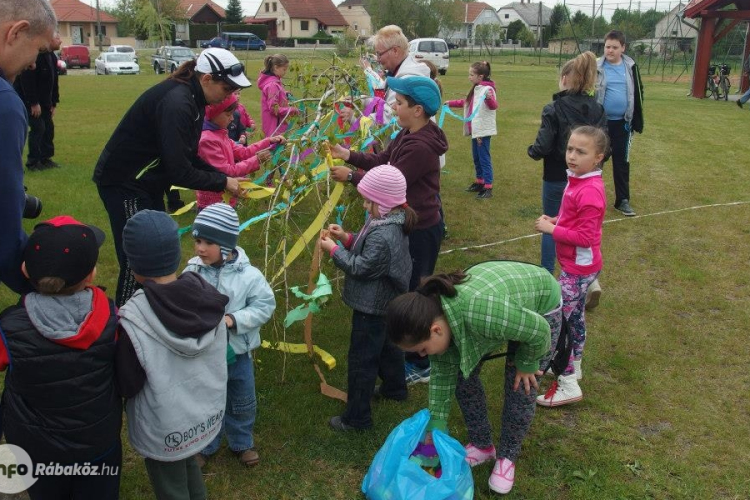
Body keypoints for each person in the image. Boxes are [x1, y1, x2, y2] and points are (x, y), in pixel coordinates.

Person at [385, 261, 562, 495]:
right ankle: (482, 445)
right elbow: (442, 376)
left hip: (539, 307)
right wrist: (436, 424)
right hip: (503, 309)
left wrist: (527, 363)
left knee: (521, 384)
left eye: (422, 349)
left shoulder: (482, 314)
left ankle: (507, 457)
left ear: (436, 330)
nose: (422, 356)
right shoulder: (438, 323)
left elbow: (538, 330)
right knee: (460, 377)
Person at [93, 47, 248, 307]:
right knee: (138, 256)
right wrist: (223, 182)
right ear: (207, 79)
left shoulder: (195, 99)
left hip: (148, 182)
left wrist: (223, 177)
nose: (229, 95)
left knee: (156, 249)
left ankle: (153, 312)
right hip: (124, 183)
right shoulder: (178, 102)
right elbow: (180, 171)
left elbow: (187, 156)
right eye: (227, 89)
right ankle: (124, 321)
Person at [330, 76, 447, 387]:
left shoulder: (421, 147)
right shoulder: (408, 133)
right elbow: (383, 161)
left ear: (418, 109)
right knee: (401, 291)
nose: (393, 106)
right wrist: (348, 155)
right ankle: (399, 355)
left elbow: (392, 179)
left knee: (414, 294)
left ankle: (420, 361)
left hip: (421, 230)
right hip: (408, 225)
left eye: (400, 103)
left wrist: (352, 176)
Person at [0, 216, 122, 499]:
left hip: (36, 450)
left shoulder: (9, 329)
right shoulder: (111, 318)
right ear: (92, 274)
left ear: (24, 270)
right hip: (97, 444)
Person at [116, 210, 229, 500]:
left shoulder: (133, 318)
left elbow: (128, 382)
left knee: (170, 486)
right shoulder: (208, 298)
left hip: (165, 427)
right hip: (199, 417)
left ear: (133, 265)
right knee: (188, 463)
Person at [319, 165, 415, 431]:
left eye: (368, 200)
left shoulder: (383, 234)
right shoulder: (387, 221)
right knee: (387, 346)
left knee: (362, 360)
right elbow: (367, 252)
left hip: (372, 306)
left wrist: (334, 250)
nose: (363, 205)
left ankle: (356, 418)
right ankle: (395, 388)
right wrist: (345, 238)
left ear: (383, 203)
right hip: (386, 302)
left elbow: (361, 267)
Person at [183, 203, 276, 467]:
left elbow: (264, 306)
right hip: (205, 354)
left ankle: (242, 441)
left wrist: (233, 320)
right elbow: (182, 303)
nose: (200, 248)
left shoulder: (249, 276)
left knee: (242, 399)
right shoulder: (193, 272)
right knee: (206, 401)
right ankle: (206, 444)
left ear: (225, 245)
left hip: (238, 353)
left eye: (208, 242)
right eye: (197, 240)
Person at [534, 125, 608, 407]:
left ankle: (567, 384)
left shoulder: (590, 190)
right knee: (574, 316)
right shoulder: (578, 180)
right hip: (575, 266)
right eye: (570, 149)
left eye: (581, 151)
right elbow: (573, 219)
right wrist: (556, 220)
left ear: (598, 157)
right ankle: (573, 364)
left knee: (559, 320)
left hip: (579, 269)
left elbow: (586, 237)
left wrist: (552, 231)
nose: (572, 156)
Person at [528, 51, 606, 278]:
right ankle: (584, 278)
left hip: (556, 178)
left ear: (564, 79)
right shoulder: (599, 109)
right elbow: (605, 149)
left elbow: (542, 146)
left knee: (551, 225)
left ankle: (547, 277)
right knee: (577, 225)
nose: (573, 155)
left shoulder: (554, 108)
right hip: (588, 179)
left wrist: (532, 151)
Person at [0, 0, 56, 295]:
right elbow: (4, 225)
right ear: (17, 32)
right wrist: (45, 288)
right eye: (40, 50)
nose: (35, 63)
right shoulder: (5, 103)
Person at [197, 93, 285, 210]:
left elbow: (243, 152)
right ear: (214, 114)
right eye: (228, 114)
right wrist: (257, 160)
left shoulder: (220, 133)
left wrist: (268, 141)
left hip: (225, 198)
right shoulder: (207, 141)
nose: (232, 118)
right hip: (214, 205)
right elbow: (227, 172)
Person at [595, 30, 644, 217]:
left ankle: (622, 200)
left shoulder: (631, 67)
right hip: (600, 125)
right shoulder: (596, 66)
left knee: (622, 162)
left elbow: (639, 92)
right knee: (597, 161)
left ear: (623, 48)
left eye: (615, 47)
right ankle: (593, 198)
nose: (610, 50)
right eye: (607, 46)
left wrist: (637, 119)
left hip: (623, 124)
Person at [446, 61, 498, 199]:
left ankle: (488, 187)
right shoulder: (477, 88)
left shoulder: (487, 90)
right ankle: (479, 182)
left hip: (482, 130)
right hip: (476, 130)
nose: (469, 77)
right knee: (476, 157)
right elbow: (467, 102)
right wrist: (451, 103)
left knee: (483, 158)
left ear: (480, 77)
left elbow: (493, 105)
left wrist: (489, 99)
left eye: (471, 75)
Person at [14, 30, 61, 171]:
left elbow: (53, 82)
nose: (61, 41)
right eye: (58, 37)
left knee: (48, 128)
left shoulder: (51, 57)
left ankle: (45, 158)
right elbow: (27, 81)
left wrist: (53, 102)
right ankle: (33, 162)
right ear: (49, 39)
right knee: (38, 128)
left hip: (45, 102)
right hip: (30, 102)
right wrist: (33, 103)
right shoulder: (35, 56)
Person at [258, 53, 299, 138]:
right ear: (276, 67)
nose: (285, 72)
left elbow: (276, 95)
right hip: (274, 128)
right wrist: (290, 110)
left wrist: (284, 93)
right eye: (284, 69)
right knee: (274, 150)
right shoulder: (272, 85)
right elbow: (274, 109)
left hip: (277, 126)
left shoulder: (274, 82)